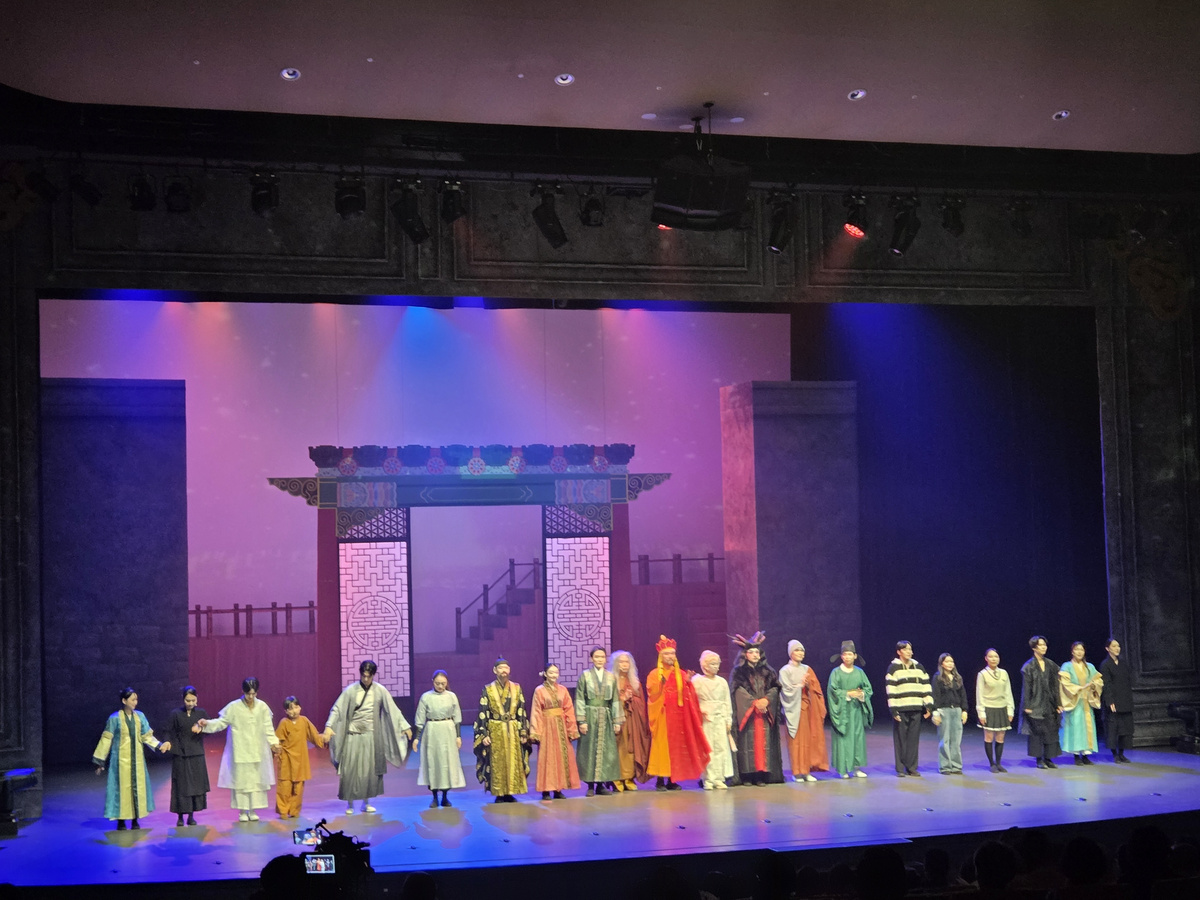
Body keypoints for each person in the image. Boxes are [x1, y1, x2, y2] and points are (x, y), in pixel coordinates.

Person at [322, 659, 412, 815]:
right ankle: (350, 804)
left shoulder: (380, 690)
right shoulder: (351, 690)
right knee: (350, 769)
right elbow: (337, 709)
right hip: (353, 735)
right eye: (363, 675)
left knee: (369, 771)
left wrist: (405, 726)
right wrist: (329, 726)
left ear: (373, 675)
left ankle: (366, 802)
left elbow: (393, 709)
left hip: (370, 735)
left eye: (368, 676)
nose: (365, 679)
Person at [198, 676, 280, 822]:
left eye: (254, 694)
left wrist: (274, 743)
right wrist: (207, 724)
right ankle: (242, 810)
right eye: (248, 693)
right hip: (240, 749)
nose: (251, 697)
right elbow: (221, 722)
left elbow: (268, 727)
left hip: (257, 749)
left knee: (256, 780)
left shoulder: (262, 707)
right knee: (241, 781)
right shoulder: (234, 707)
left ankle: (253, 809)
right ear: (243, 691)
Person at [92, 687, 171, 830]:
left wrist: (159, 745)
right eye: (132, 699)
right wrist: (99, 761)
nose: (135, 702)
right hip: (120, 761)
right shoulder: (115, 718)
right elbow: (107, 739)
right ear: (124, 700)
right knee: (122, 789)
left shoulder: (140, 716)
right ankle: (121, 820)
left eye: (136, 699)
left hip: (137, 760)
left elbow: (146, 736)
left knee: (137, 788)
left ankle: (135, 819)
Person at [646, 635, 711, 790]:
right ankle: (660, 780)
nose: (671, 656)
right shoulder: (654, 674)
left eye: (673, 653)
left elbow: (688, 695)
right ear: (661, 656)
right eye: (667, 654)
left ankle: (672, 780)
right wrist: (661, 685)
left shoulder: (681, 673)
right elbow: (652, 694)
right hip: (663, 716)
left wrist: (687, 683)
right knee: (662, 748)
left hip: (677, 718)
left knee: (676, 748)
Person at [730, 631, 784, 785]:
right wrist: (753, 703)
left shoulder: (768, 671)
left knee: (763, 744)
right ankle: (747, 776)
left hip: (764, 713)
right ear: (745, 654)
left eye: (757, 652)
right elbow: (737, 690)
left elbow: (775, 687)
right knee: (747, 744)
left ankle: (761, 775)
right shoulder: (739, 672)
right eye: (751, 652)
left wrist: (766, 700)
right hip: (748, 714)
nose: (755, 655)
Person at [473, 657, 530, 802]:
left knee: (513, 761)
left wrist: (523, 731)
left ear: (509, 670)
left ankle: (510, 792)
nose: (504, 671)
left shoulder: (517, 688)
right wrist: (484, 734)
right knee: (497, 762)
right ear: (494, 670)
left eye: (506, 668)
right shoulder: (488, 689)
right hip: (496, 729)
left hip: (513, 729)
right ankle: (499, 792)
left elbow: (522, 710)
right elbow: (483, 712)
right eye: (500, 668)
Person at [574, 647, 624, 796]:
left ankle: (601, 785)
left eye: (602, 657)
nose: (599, 659)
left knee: (605, 750)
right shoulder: (585, 676)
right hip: (590, 715)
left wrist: (617, 721)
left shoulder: (610, 677)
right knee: (589, 750)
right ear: (591, 658)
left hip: (605, 716)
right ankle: (590, 785)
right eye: (596, 657)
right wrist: (581, 720)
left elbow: (615, 699)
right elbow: (580, 698)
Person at [413, 670, 466, 808]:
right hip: (432, 731)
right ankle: (434, 797)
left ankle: (445, 797)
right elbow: (420, 718)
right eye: (438, 683)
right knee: (433, 762)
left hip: (448, 730)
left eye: (443, 683)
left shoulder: (451, 696)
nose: (440, 686)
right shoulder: (426, 697)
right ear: (433, 682)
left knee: (447, 762)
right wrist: (417, 738)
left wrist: (458, 736)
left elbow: (457, 717)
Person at [778, 639, 828, 783]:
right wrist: (800, 686)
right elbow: (785, 691)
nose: (800, 653)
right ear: (790, 653)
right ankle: (797, 772)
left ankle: (806, 771)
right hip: (794, 709)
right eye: (797, 650)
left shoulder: (807, 669)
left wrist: (808, 686)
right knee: (796, 741)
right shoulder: (785, 671)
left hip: (807, 709)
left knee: (807, 741)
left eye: (802, 650)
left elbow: (816, 690)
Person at [529, 664, 581, 799]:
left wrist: (571, 728)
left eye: (556, 672)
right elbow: (536, 711)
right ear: (545, 674)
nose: (554, 675)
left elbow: (569, 709)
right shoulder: (539, 690)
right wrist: (536, 731)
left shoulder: (563, 690)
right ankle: (546, 790)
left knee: (561, 756)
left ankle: (558, 789)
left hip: (561, 726)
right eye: (551, 673)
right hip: (546, 726)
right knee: (547, 757)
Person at [884, 640, 933, 777]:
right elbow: (891, 689)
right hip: (901, 708)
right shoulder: (893, 668)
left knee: (913, 739)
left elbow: (926, 687)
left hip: (916, 707)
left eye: (910, 649)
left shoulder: (919, 667)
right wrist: (893, 709)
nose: (909, 652)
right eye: (905, 649)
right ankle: (900, 768)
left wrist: (929, 705)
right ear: (899, 652)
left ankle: (911, 767)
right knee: (900, 739)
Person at [274, 696, 325, 818]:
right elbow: (277, 741)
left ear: (300, 708)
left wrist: (324, 738)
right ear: (286, 711)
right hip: (287, 759)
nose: (294, 711)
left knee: (298, 787)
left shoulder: (304, 721)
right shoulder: (284, 723)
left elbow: (314, 735)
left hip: (300, 759)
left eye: (296, 707)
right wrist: (276, 751)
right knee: (284, 786)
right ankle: (283, 811)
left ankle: (294, 810)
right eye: (290, 709)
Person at [827, 641, 872, 778]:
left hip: (856, 710)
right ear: (841, 656)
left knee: (857, 738)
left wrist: (861, 694)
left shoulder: (860, 672)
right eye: (845, 654)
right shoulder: (836, 673)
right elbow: (833, 691)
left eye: (850, 654)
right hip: (842, 711)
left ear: (855, 656)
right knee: (843, 738)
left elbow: (868, 689)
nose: (847, 657)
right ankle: (843, 769)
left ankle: (856, 768)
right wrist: (847, 694)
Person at [165, 685, 209, 826]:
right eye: (187, 700)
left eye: (193, 700)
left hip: (196, 754)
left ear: (197, 699)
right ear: (183, 699)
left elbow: (210, 729)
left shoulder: (201, 713)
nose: (190, 703)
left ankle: (191, 815)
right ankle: (180, 816)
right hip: (181, 754)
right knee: (181, 786)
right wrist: (167, 742)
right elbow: (169, 731)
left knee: (194, 786)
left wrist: (201, 728)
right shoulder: (176, 714)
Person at [692, 650, 734, 790]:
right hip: (706, 718)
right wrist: (700, 712)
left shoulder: (722, 682)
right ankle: (708, 778)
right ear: (705, 665)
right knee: (708, 748)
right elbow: (692, 700)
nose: (716, 667)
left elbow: (727, 701)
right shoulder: (698, 681)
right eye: (712, 664)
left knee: (721, 748)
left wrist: (728, 719)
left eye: (717, 664)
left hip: (720, 717)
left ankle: (719, 778)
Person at [609, 649, 651, 790]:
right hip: (616, 720)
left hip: (632, 721)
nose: (624, 665)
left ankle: (629, 778)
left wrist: (632, 700)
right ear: (615, 664)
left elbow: (641, 702)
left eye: (627, 662)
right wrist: (622, 699)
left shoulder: (635, 682)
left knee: (631, 748)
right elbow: (608, 702)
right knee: (618, 748)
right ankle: (616, 778)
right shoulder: (610, 681)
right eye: (621, 662)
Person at [1019, 635, 1063, 769]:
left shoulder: (1051, 664)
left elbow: (1056, 686)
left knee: (1051, 730)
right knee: (1037, 732)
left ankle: (1048, 758)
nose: (1044, 647)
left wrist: (1058, 703)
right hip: (1035, 703)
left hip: (1049, 703)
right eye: (1040, 645)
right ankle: (1039, 759)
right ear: (1034, 648)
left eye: (1045, 645)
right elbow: (1026, 688)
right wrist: (1027, 705)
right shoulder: (1029, 666)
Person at [1059, 641, 1103, 764]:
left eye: (1081, 650)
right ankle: (1076, 756)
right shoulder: (1067, 666)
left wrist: (1093, 685)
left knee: (1087, 729)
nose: (1079, 652)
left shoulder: (1089, 667)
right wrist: (1079, 688)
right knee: (1076, 729)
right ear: (1072, 651)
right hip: (1074, 701)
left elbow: (1098, 681)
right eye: (1077, 649)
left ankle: (1085, 755)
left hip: (1086, 702)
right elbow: (1064, 684)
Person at [975, 648, 1015, 773]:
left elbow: (1008, 692)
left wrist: (1010, 710)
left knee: (1000, 737)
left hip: (1002, 708)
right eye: (991, 656)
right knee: (989, 737)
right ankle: (991, 763)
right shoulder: (982, 674)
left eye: (996, 656)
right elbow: (979, 695)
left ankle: (998, 763)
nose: (994, 659)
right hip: (989, 708)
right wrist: (981, 712)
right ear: (986, 658)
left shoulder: (1004, 673)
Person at [930, 653, 968, 775]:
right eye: (947, 661)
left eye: (951, 661)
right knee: (944, 740)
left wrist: (964, 710)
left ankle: (956, 766)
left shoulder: (957, 677)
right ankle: (945, 766)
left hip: (956, 710)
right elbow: (935, 695)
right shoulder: (937, 678)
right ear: (942, 664)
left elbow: (963, 695)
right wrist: (935, 712)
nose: (950, 664)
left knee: (956, 740)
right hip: (944, 710)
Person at [1099, 637, 1134, 763]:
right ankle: (1115, 754)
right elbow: (1106, 684)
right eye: (1113, 646)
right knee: (1113, 729)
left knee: (1125, 729)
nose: (1117, 648)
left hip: (1124, 699)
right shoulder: (1105, 664)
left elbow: (1128, 681)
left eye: (1118, 646)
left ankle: (1122, 753)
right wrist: (1110, 701)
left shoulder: (1123, 663)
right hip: (1113, 701)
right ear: (1107, 648)